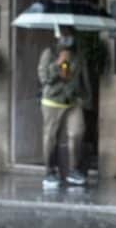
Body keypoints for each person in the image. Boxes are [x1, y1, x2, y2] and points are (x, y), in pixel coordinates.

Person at [37, 27, 91, 189]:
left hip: (73, 101)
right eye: (64, 36)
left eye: (70, 36)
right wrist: (58, 64)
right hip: (53, 101)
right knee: (51, 136)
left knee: (77, 132)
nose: (67, 39)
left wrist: (86, 99)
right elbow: (44, 78)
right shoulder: (49, 53)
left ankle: (74, 169)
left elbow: (84, 78)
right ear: (58, 37)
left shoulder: (79, 55)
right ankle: (49, 171)